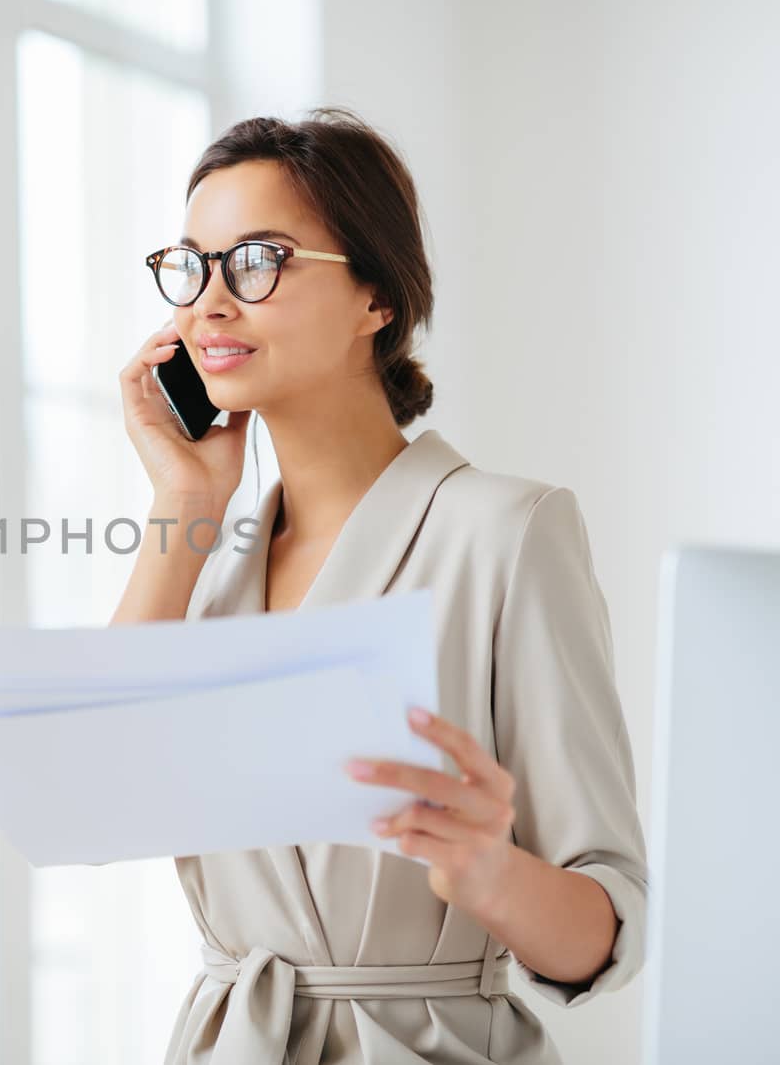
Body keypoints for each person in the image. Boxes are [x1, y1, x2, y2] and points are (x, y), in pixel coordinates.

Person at [113, 109, 648, 1064]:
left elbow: (606, 929)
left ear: (377, 299)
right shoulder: (206, 552)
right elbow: (104, 790)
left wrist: (489, 872)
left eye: (258, 260)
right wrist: (184, 496)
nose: (209, 304)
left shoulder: (506, 529)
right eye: (191, 265)